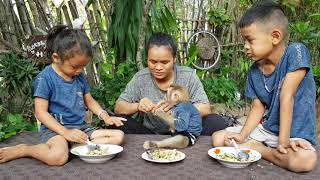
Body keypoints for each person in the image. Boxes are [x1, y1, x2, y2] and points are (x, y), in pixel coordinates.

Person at [211, 0, 317, 172]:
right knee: (218, 138)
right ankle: (260, 147)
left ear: (275, 36)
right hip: (268, 132)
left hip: (294, 134)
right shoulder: (254, 71)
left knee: (305, 161)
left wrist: (284, 142)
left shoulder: (296, 52)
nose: (245, 46)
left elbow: (286, 95)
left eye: (250, 40)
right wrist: (242, 135)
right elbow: (257, 109)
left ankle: (259, 149)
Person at [0, 25, 126, 166]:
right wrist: (65, 132)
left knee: (118, 136)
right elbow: (40, 113)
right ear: (56, 58)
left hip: (81, 129)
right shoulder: (45, 78)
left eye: (82, 67)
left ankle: (74, 146)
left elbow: (89, 101)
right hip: (55, 131)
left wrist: (105, 116)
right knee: (58, 158)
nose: (79, 71)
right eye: (74, 66)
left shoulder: (78, 77)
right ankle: (25, 149)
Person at [114, 32, 226, 136]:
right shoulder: (141, 78)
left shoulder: (188, 76)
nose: (158, 67)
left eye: (164, 62)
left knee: (216, 122)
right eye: (152, 62)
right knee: (117, 121)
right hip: (149, 134)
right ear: (147, 59)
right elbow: (119, 107)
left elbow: (205, 108)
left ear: (174, 59)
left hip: (183, 132)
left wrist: (178, 110)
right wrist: (138, 106)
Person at [143, 84, 202, 149]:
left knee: (182, 140)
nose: (165, 97)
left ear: (175, 96)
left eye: (167, 94)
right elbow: (174, 121)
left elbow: (182, 126)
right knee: (176, 136)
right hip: (179, 132)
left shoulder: (184, 107)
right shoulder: (177, 107)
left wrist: (163, 115)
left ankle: (159, 144)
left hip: (190, 134)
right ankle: (166, 142)